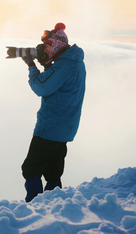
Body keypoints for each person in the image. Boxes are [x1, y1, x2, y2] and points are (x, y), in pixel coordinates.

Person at [20, 22, 86, 202]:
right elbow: (60, 85)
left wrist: (31, 66)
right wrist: (48, 65)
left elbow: (41, 87)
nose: (45, 50)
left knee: (31, 169)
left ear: (56, 45)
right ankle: (55, 207)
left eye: (48, 46)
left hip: (51, 126)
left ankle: (34, 208)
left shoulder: (63, 65)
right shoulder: (75, 62)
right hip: (65, 127)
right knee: (52, 172)